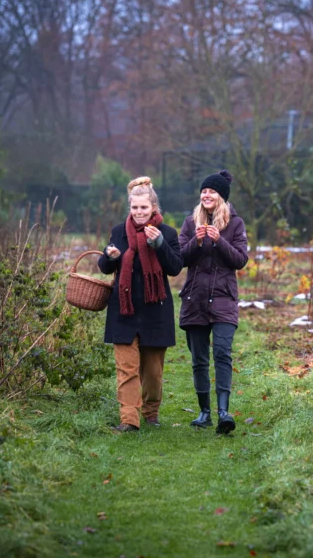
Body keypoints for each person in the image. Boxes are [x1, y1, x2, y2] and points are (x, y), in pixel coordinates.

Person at [98, 176, 183, 432]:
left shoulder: (167, 233)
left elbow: (175, 267)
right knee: (127, 370)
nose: (138, 212)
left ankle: (150, 412)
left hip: (155, 311)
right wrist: (109, 257)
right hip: (123, 310)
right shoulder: (118, 232)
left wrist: (158, 245)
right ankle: (129, 420)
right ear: (130, 208)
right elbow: (104, 268)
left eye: (143, 208)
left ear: (153, 208)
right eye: (134, 208)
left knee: (153, 374)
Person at [178, 169, 248, 434]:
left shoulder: (235, 225)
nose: (207, 195)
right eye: (204, 191)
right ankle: (204, 412)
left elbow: (241, 260)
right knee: (199, 359)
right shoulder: (189, 223)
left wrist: (220, 242)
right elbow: (179, 259)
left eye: (212, 191)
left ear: (222, 197)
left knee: (221, 353)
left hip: (223, 300)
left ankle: (223, 412)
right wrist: (195, 242)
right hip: (194, 300)